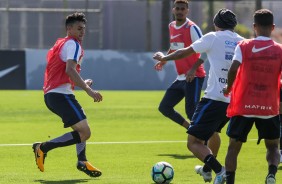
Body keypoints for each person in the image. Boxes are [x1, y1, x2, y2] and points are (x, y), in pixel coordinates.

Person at [153, 8, 243, 184]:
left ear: (216, 24)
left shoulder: (213, 37)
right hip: (234, 102)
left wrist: (164, 57)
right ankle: (207, 170)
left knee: (193, 142)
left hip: (214, 99)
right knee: (214, 133)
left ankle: (220, 170)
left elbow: (184, 52)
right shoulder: (243, 42)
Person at [32, 12, 103, 177]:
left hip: (54, 94)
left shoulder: (61, 43)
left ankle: (82, 160)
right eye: (79, 28)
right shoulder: (73, 44)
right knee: (85, 132)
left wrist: (83, 82)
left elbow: (64, 73)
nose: (82, 32)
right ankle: (42, 148)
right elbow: (69, 70)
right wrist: (88, 90)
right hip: (60, 95)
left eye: (84, 29)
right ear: (69, 28)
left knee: (81, 126)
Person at [223, 9, 282, 184]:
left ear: (254, 26)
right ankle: (271, 174)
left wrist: (228, 87)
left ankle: (231, 181)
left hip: (243, 106)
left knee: (233, 147)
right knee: (273, 146)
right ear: (272, 27)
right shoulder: (280, 50)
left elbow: (233, 68)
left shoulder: (244, 46)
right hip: (269, 108)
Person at [154, 0, 206, 129]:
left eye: (183, 9)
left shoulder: (192, 28)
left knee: (191, 112)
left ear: (187, 11)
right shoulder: (172, 26)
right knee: (164, 107)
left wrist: (193, 69)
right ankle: (191, 129)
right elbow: (174, 47)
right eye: (177, 8)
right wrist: (164, 60)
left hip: (194, 77)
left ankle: (204, 138)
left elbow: (205, 50)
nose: (180, 11)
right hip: (181, 77)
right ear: (173, 10)